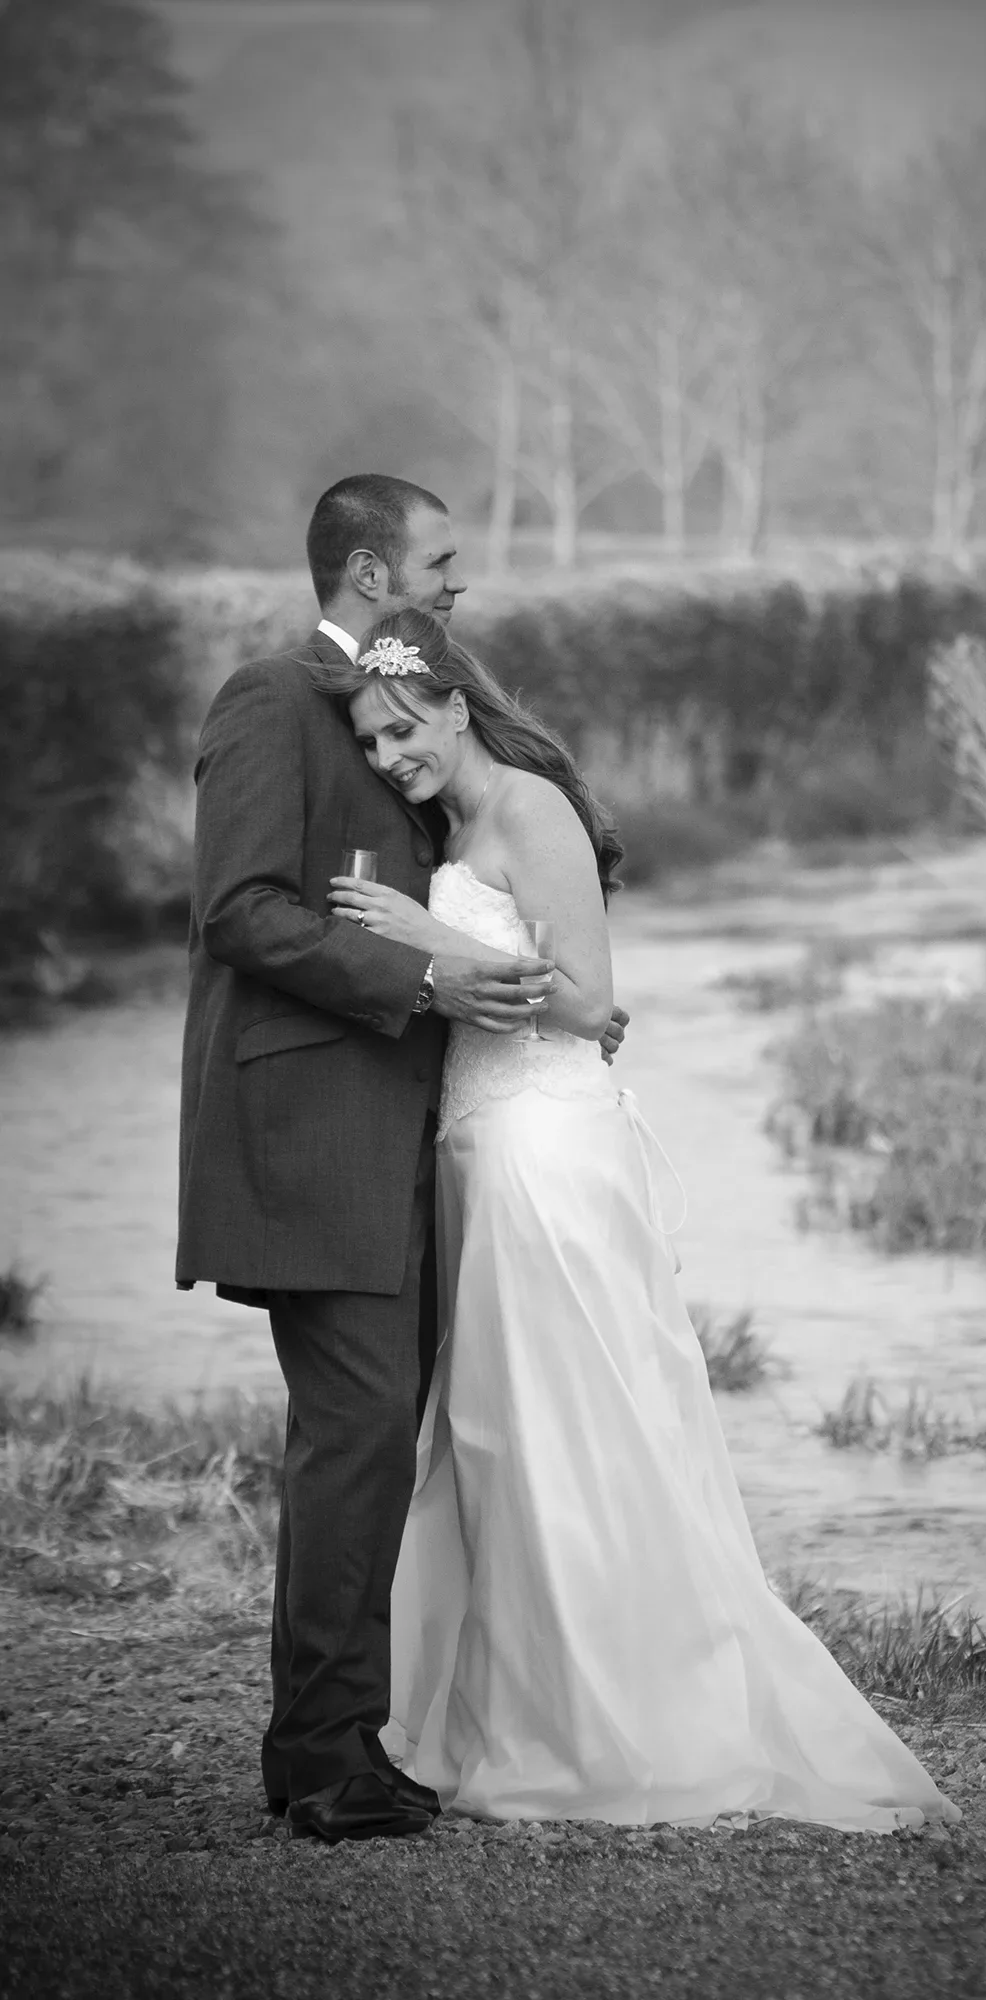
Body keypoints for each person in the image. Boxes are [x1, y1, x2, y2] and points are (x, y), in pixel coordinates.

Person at [317, 607, 961, 1834]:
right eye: (369, 739)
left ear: (455, 706)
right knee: (496, 1434)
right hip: (475, 1150)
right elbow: (540, 999)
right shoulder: (445, 823)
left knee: (576, 1431)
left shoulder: (531, 810)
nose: (387, 754)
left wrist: (420, 934)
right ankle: (516, 1709)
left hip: (546, 1154)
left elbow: (587, 1002)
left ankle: (629, 1720)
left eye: (401, 728)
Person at [176, 474, 627, 1845]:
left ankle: (348, 1737)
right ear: (369, 571)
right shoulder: (268, 698)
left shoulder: (413, 706)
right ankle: (324, 1761)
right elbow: (240, 914)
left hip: (435, 1140)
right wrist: (425, 989)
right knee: (358, 1442)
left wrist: (557, 1000)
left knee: (386, 1443)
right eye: (437, 561)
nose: (455, 585)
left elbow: (498, 907)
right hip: (315, 1139)